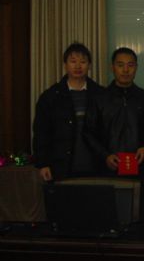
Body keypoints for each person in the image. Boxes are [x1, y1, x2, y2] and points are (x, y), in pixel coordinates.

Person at [85, 47, 144, 219]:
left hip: (139, 168)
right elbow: (88, 133)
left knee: (138, 216)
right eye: (120, 65)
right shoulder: (99, 98)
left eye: (130, 65)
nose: (126, 70)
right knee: (108, 217)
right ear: (112, 67)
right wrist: (105, 156)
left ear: (136, 68)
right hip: (107, 168)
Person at [33, 43, 104, 181]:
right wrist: (43, 163)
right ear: (65, 64)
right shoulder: (50, 97)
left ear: (89, 65)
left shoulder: (101, 94)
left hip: (96, 166)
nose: (78, 66)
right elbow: (41, 133)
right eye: (73, 61)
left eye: (83, 62)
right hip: (61, 166)